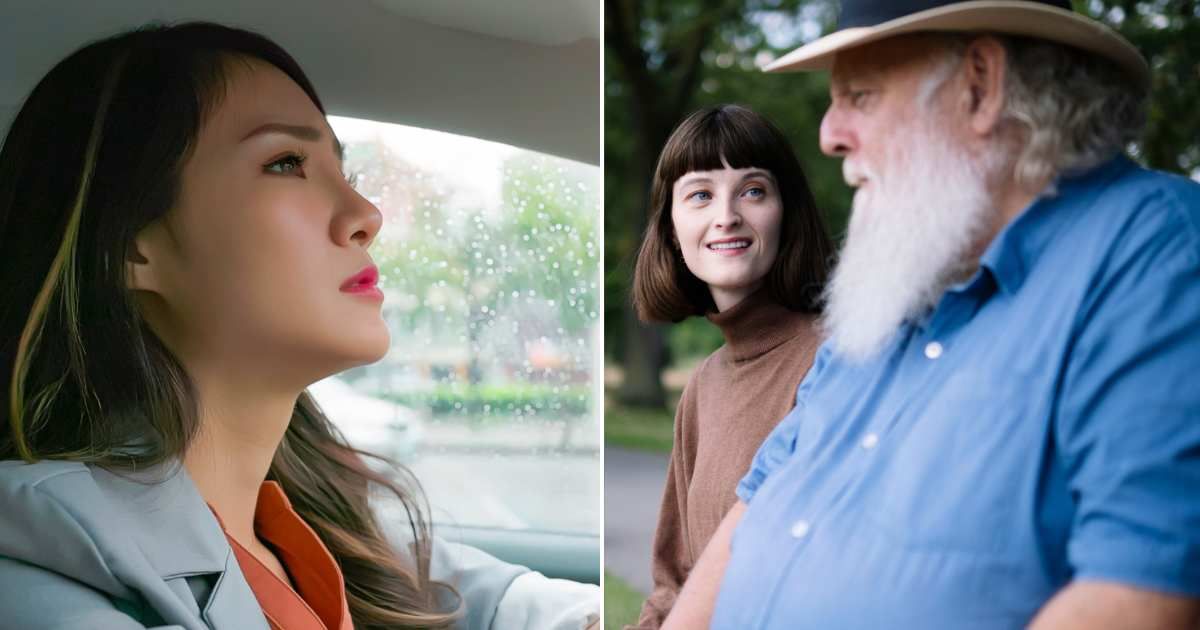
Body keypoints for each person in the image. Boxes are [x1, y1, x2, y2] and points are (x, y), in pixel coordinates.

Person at [0, 22, 597, 630]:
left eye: (346, 172)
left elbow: (509, 606)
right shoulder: (43, 575)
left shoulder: (313, 522)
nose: (367, 215)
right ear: (130, 244)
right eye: (287, 163)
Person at [661, 1, 1200, 628]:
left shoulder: (1152, 251)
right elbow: (756, 507)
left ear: (979, 86)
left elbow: (1144, 593)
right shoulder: (898, 284)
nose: (829, 134)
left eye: (860, 96)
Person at [626, 104, 834, 629]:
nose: (727, 216)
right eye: (700, 194)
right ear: (673, 229)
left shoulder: (836, 361)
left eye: (753, 190)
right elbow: (674, 583)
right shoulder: (702, 385)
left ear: (786, 212)